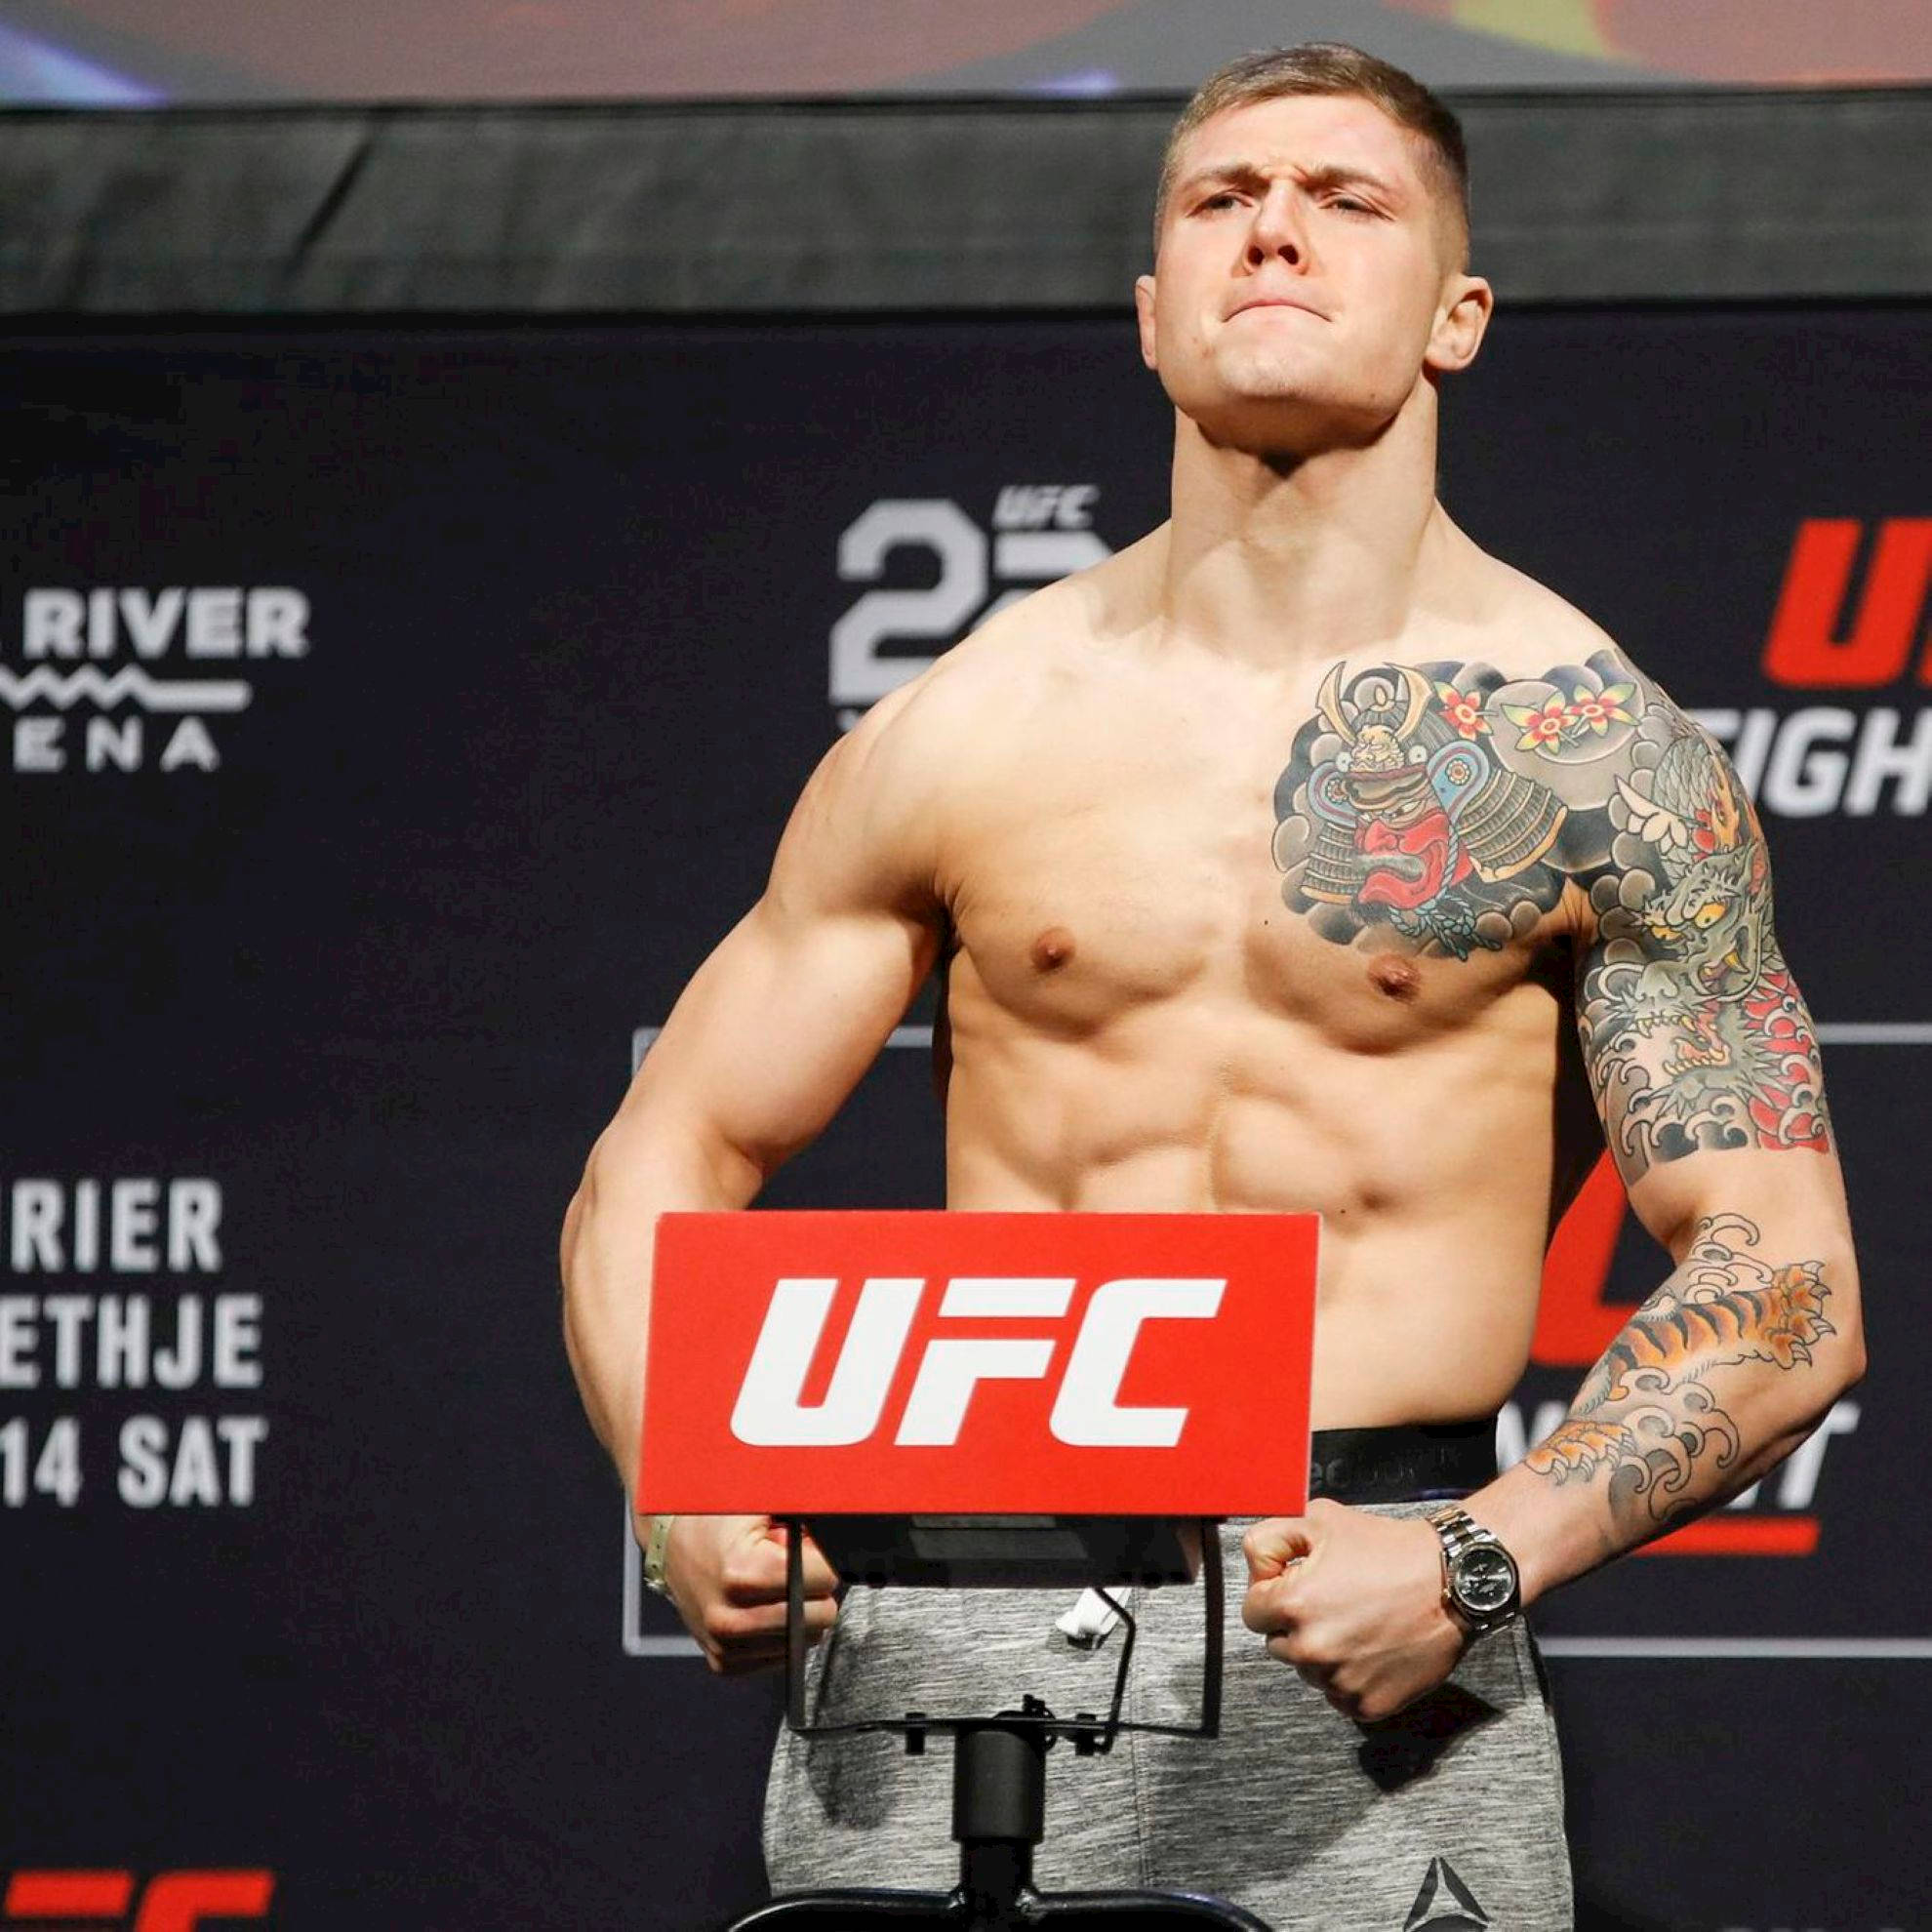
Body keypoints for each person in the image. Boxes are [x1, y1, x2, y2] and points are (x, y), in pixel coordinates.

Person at [561, 42, 1862, 1930]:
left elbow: (1788, 1279)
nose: (1274, 234)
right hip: (956, 1603)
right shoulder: (965, 732)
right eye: (1221, 201)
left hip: (1371, 1611)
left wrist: (1476, 1560)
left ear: (1458, 315)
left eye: (1347, 201)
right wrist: (674, 1480)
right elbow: (659, 1157)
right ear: (1152, 314)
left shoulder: (1592, 759)